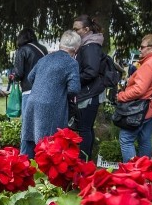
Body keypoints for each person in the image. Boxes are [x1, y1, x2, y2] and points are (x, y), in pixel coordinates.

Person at [20, 30, 81, 159]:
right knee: (48, 145)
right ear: (76, 48)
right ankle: (43, 176)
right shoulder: (71, 63)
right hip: (52, 106)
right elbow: (74, 89)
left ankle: (25, 170)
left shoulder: (44, 59)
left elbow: (30, 77)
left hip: (32, 102)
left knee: (29, 141)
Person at [117, 34, 152, 162]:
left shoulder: (150, 64)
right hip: (151, 107)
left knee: (126, 140)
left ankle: (132, 174)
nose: (139, 49)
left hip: (140, 109)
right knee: (145, 140)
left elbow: (139, 90)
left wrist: (121, 96)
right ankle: (145, 172)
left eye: (142, 47)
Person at [71, 15, 106, 161]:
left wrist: (73, 81)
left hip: (89, 94)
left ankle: (83, 161)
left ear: (86, 29)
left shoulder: (90, 46)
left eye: (76, 29)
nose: (74, 32)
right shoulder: (88, 45)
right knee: (86, 128)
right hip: (88, 93)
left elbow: (91, 71)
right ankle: (85, 160)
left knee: (84, 129)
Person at [10, 28, 47, 92]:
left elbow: (19, 73)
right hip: (43, 89)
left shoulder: (22, 50)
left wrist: (13, 75)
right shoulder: (44, 49)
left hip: (29, 89)